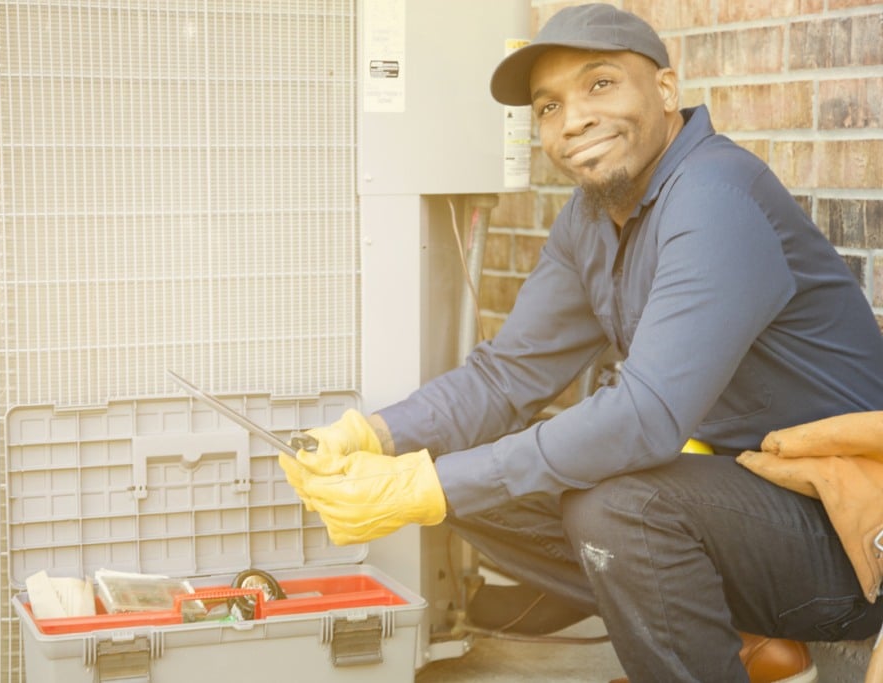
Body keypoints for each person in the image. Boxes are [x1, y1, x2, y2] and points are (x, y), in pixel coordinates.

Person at [279, 4, 883, 681]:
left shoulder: (716, 199)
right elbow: (505, 376)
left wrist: (428, 486)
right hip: (744, 495)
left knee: (616, 505)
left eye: (600, 85)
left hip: (851, 529)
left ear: (663, 90)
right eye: (548, 106)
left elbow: (645, 417)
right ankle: (732, 637)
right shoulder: (593, 217)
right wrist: (377, 437)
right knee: (468, 461)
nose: (573, 120)